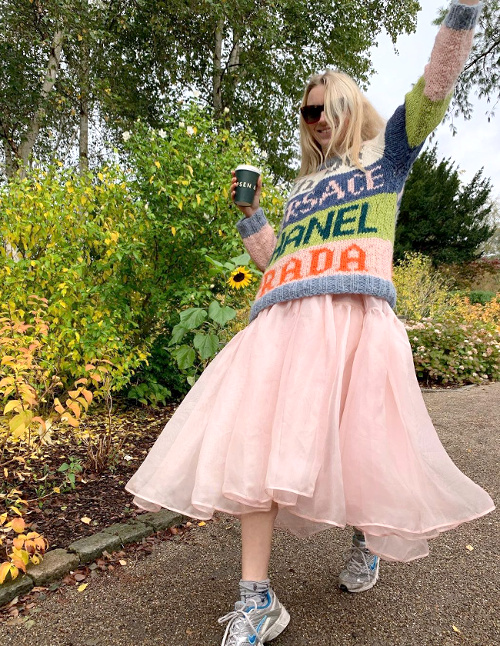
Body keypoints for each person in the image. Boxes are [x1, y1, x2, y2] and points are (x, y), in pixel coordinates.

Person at [126, 1, 494, 643]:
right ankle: (257, 599)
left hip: (355, 318)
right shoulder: (301, 189)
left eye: (326, 107)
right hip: (285, 322)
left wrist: (462, 11)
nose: (317, 120)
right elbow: (280, 263)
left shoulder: (388, 155)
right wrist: (251, 217)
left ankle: (366, 538)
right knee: (258, 447)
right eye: (307, 112)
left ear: (350, 107)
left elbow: (434, 89)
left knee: (361, 443)